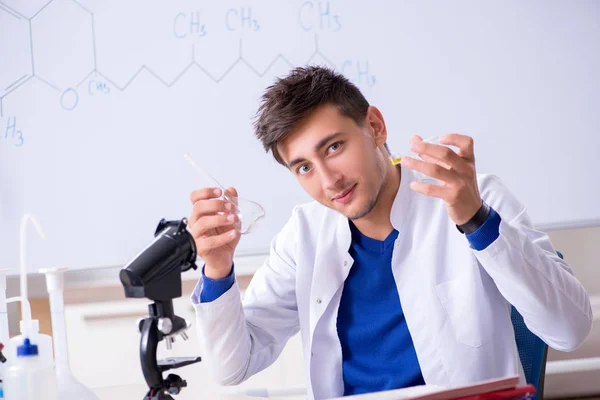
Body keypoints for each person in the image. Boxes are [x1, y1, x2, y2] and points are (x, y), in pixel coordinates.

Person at [188, 66, 592, 399]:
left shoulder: (471, 195)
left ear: (376, 127)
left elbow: (570, 330)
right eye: (304, 167)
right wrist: (218, 268)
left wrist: (475, 221)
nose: (329, 181)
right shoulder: (304, 236)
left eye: (333, 147)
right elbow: (232, 366)